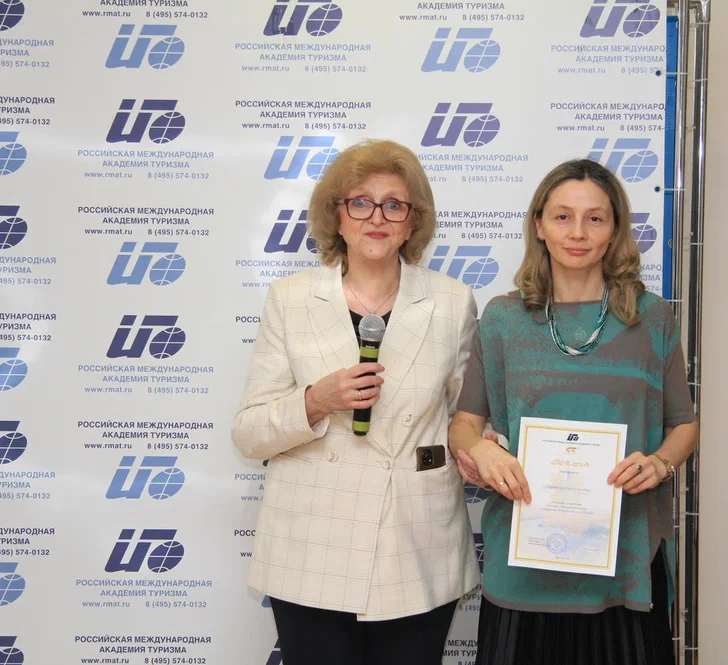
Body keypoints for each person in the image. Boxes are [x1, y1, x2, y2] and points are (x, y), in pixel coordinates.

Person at [231, 139, 480, 665]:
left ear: (412, 222)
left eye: (395, 205)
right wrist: (314, 402)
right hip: (311, 543)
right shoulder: (290, 298)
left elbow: (468, 420)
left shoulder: (452, 301)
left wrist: (493, 450)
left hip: (416, 540)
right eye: (361, 203)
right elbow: (249, 433)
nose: (377, 218)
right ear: (337, 216)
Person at [449, 158, 699, 665]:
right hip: (524, 563)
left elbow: (684, 425)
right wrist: (479, 450)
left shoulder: (652, 317)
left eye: (595, 218)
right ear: (539, 225)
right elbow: (464, 425)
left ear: (614, 229)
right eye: (562, 216)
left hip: (624, 563)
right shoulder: (502, 319)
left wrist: (660, 464)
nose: (578, 232)